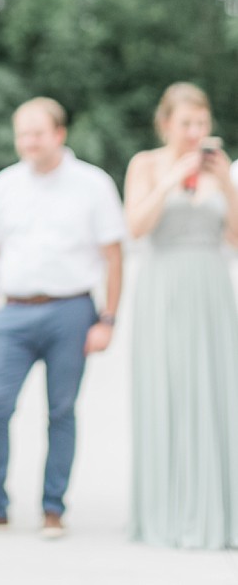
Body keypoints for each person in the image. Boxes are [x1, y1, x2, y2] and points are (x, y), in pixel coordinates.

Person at [0, 96, 125, 538]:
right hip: (13, 313)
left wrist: (108, 319)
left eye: (37, 133)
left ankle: (53, 508)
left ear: (59, 134)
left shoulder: (93, 184)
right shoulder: (5, 185)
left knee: (61, 411)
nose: (29, 142)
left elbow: (114, 256)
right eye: (23, 133)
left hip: (72, 311)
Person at [125, 81, 238, 548]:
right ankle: (166, 513)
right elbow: (135, 227)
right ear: (166, 123)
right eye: (186, 123)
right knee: (166, 388)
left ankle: (216, 510)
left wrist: (227, 185)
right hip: (163, 287)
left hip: (211, 286)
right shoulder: (146, 164)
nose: (195, 132)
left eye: (201, 123)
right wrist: (173, 178)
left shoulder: (221, 171)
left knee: (215, 391)